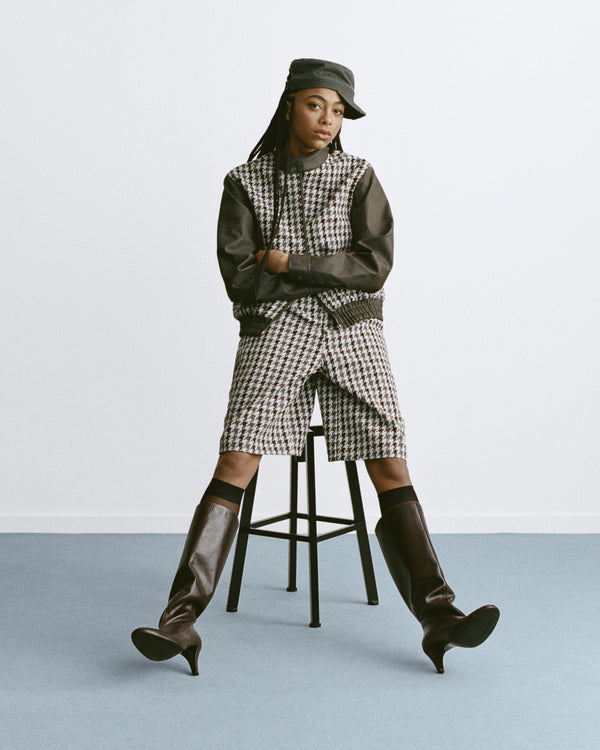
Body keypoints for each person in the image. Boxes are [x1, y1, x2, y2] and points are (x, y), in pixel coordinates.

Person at [131, 58, 500, 676]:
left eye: (338, 111)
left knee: (390, 458)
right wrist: (315, 272)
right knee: (236, 458)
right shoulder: (244, 181)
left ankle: (439, 617)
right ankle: (180, 620)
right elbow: (240, 279)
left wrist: (288, 263)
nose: (328, 120)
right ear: (288, 106)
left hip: (352, 330)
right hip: (275, 332)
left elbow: (373, 267)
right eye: (315, 105)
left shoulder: (358, 175)